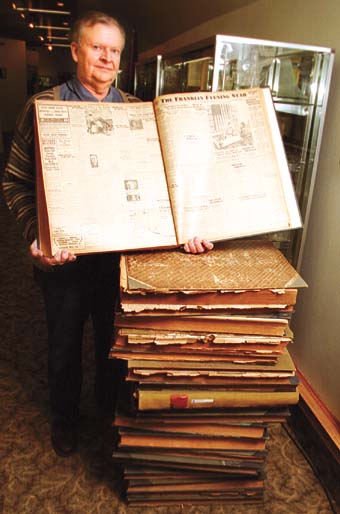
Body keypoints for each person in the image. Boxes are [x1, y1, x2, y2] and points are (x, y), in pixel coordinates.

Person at [2, 10, 213, 458]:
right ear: (75, 50)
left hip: (120, 261)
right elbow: (14, 180)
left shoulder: (139, 113)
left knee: (114, 342)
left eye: (114, 50)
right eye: (97, 47)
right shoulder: (43, 107)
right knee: (63, 345)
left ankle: (107, 412)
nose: (106, 58)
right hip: (64, 260)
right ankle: (65, 421)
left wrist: (190, 229)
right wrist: (34, 235)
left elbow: (165, 188)